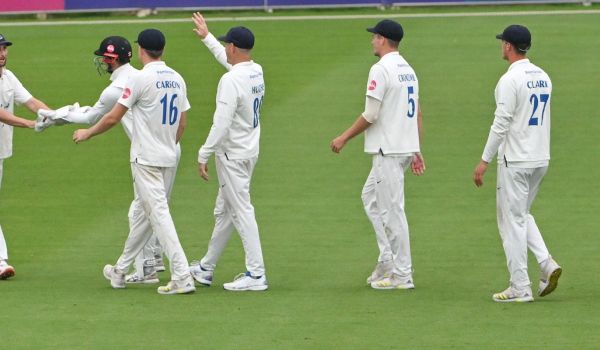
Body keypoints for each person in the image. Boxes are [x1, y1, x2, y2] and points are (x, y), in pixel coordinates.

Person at [36, 36, 170, 284]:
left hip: (147, 154)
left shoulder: (115, 89)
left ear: (112, 59)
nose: (101, 61)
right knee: (150, 208)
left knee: (141, 211)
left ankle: (145, 269)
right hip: (168, 149)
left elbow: (92, 117)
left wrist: (55, 117)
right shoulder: (140, 76)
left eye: (104, 57)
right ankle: (152, 261)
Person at [72, 28, 195, 295]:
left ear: (141, 51)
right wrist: (168, 146)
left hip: (146, 159)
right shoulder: (177, 77)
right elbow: (183, 122)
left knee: (159, 216)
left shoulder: (139, 79)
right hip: (170, 155)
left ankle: (183, 276)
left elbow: (113, 117)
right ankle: (120, 270)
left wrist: (88, 133)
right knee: (143, 215)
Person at [330, 19, 425, 290]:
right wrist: (417, 148)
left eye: (375, 37)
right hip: (403, 147)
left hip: (389, 150)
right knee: (370, 197)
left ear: (383, 39)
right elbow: (417, 112)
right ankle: (387, 259)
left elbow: (371, 114)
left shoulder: (380, 69)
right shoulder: (409, 69)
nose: (372, 40)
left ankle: (402, 273)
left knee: (392, 211)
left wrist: (343, 137)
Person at [473, 24, 562, 303]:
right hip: (540, 158)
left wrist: (484, 160)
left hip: (517, 160)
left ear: (509, 46)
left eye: (503, 43)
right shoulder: (543, 76)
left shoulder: (509, 81)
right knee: (521, 214)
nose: (501, 46)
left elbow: (501, 124)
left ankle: (520, 286)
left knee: (510, 221)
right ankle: (546, 263)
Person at [188, 12, 268, 291]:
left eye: (225, 45)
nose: (224, 48)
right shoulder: (255, 70)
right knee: (225, 211)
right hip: (249, 151)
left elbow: (220, 123)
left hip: (232, 154)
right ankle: (206, 268)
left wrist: (203, 152)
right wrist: (207, 37)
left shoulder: (231, 81)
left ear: (233, 47)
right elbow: (228, 64)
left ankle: (256, 275)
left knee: (241, 211)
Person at [0, 33, 50, 280]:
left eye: (4, 48)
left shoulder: (8, 77)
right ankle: (0, 261)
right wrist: (31, 125)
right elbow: (1, 114)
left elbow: (30, 101)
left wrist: (56, 115)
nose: (2, 54)